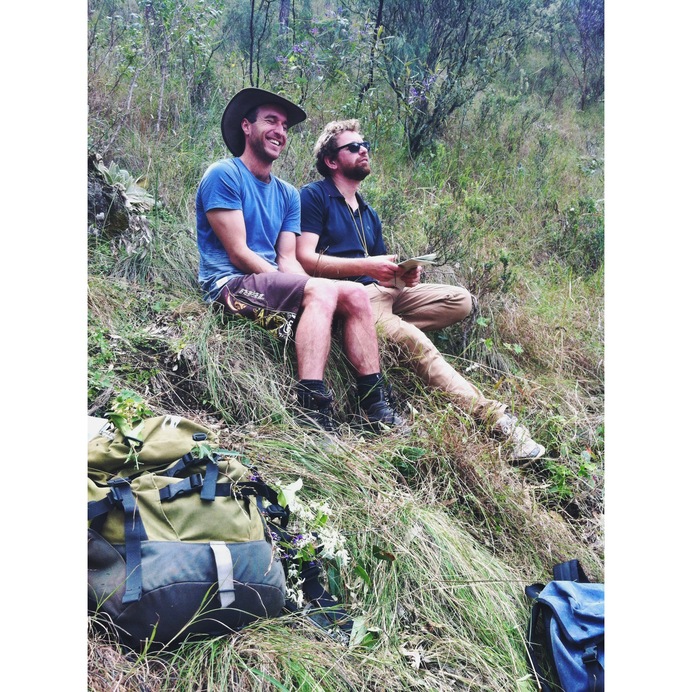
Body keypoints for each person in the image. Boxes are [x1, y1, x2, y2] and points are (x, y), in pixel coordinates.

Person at [296, 119, 545, 461]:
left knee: (460, 300)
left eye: (365, 144)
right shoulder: (313, 197)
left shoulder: (368, 212)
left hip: (383, 293)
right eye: (353, 147)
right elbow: (305, 259)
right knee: (416, 342)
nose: (364, 149)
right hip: (352, 297)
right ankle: (498, 421)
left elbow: (381, 276)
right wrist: (369, 266)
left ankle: (382, 337)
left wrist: (401, 277)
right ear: (331, 161)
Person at [196, 90, 406, 434]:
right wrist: (301, 286)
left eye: (284, 125)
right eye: (270, 120)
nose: (280, 130)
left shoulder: (287, 194)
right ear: (246, 127)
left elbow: (288, 259)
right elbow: (239, 253)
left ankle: (374, 403)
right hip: (229, 286)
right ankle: (311, 408)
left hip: (270, 283)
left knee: (353, 294)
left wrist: (310, 284)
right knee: (321, 292)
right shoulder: (224, 174)